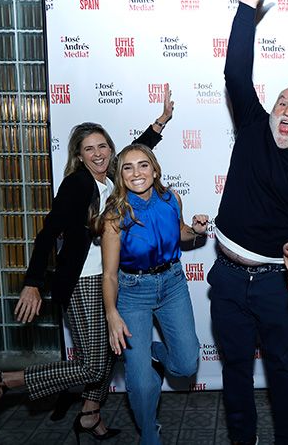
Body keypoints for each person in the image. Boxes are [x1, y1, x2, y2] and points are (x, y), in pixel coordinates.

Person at [0, 89, 174, 442]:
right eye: (89, 149)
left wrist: (161, 122)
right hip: (85, 280)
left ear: (111, 150)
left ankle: (90, 416)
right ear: (79, 156)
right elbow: (48, 232)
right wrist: (32, 282)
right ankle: (2, 381)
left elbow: (136, 148)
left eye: (103, 146)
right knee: (93, 364)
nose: (98, 153)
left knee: (109, 353)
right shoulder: (77, 184)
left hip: (112, 278)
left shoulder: (111, 181)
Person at [207, 0, 288, 443]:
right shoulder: (254, 127)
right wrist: (245, 8)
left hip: (275, 282)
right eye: (282, 101)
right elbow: (237, 75)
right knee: (236, 371)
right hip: (226, 277)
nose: (287, 109)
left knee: (283, 373)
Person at [100, 144, 207, 445]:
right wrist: (112, 314)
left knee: (186, 364)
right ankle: (149, 432)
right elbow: (109, 274)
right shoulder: (115, 215)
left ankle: (155, 351)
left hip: (172, 283)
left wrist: (196, 230)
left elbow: (181, 231)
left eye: (143, 165)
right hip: (133, 292)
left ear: (155, 169)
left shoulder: (171, 198)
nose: (137, 173)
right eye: (128, 167)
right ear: (120, 176)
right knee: (140, 377)